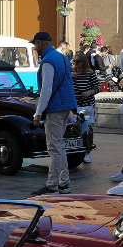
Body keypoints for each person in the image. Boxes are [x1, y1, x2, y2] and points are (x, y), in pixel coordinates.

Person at [31, 31, 78, 194]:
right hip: (66, 105)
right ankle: (64, 182)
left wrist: (38, 112)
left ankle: (52, 185)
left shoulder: (47, 61)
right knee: (59, 146)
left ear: (42, 43)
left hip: (55, 108)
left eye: (35, 43)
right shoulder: (62, 57)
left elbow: (46, 89)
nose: (35, 47)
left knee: (54, 147)